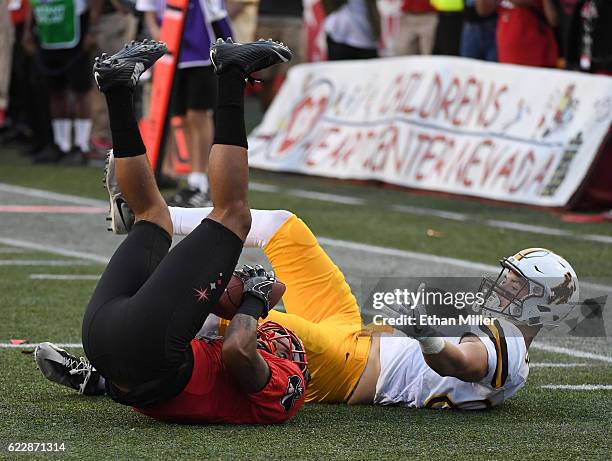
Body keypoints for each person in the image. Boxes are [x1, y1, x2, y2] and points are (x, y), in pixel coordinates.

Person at [40, 184, 580, 409]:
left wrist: (423, 329)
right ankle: (147, 216)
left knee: (227, 317)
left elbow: (460, 363)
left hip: (352, 370)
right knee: (285, 229)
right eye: (506, 278)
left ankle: (108, 376)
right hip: (353, 330)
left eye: (516, 285)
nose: (501, 287)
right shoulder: (495, 324)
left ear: (541, 306)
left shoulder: (510, 354)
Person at [35, 37, 311, 424]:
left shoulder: (282, 395)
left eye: (284, 350)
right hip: (104, 342)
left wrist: (254, 300)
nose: (279, 344)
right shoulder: (220, 392)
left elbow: (237, 351)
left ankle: (233, 74)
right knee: (151, 215)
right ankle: (117, 87)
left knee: (233, 214)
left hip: (147, 348)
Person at [138, 0, 233, 207]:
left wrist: (229, 51)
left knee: (198, 115)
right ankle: (194, 180)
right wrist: (163, 40)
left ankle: (202, 181)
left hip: (201, 55)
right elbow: (149, 13)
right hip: (172, 54)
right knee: (183, 117)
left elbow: (218, 15)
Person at [23, 0, 102, 162]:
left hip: (74, 28)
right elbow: (32, 4)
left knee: (81, 90)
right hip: (48, 31)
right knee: (55, 91)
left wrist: (92, 30)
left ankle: (82, 145)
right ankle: (61, 144)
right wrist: (27, 31)